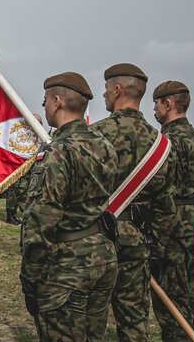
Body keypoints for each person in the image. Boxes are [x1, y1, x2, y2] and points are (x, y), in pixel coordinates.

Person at [19, 72, 119, 340]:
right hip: (102, 257)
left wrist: (29, 273)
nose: (46, 107)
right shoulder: (104, 144)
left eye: (45, 102)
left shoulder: (58, 152)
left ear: (57, 101)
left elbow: (41, 219)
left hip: (67, 267)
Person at [89, 63, 176, 342]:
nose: (103, 95)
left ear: (117, 90)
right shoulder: (161, 143)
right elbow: (165, 207)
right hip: (137, 241)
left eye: (105, 89)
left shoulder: (94, 135)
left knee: (92, 321)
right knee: (134, 322)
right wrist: (154, 248)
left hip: (96, 240)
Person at [152, 80, 194, 339]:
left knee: (173, 301)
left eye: (156, 103)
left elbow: (159, 186)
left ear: (168, 103)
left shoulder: (168, 141)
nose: (154, 109)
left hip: (173, 224)